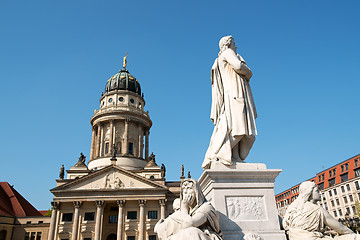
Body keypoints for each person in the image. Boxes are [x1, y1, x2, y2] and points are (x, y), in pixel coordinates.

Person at [203, 35, 257, 169]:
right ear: (227, 45)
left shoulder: (220, 58)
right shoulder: (228, 53)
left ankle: (235, 156)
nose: (236, 46)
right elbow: (238, 66)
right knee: (239, 126)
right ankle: (218, 154)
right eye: (234, 43)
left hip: (233, 94)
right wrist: (248, 71)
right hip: (235, 94)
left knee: (235, 126)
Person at [283, 181, 360, 240]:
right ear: (309, 192)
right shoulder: (317, 210)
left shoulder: (292, 208)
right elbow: (341, 228)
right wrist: (352, 235)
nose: (319, 193)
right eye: (316, 191)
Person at [155, 179, 222, 240]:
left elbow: (188, 224)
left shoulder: (206, 208)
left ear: (197, 192)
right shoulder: (186, 210)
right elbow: (161, 230)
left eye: (189, 188)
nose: (186, 192)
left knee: (192, 231)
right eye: (183, 189)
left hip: (204, 236)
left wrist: (184, 207)